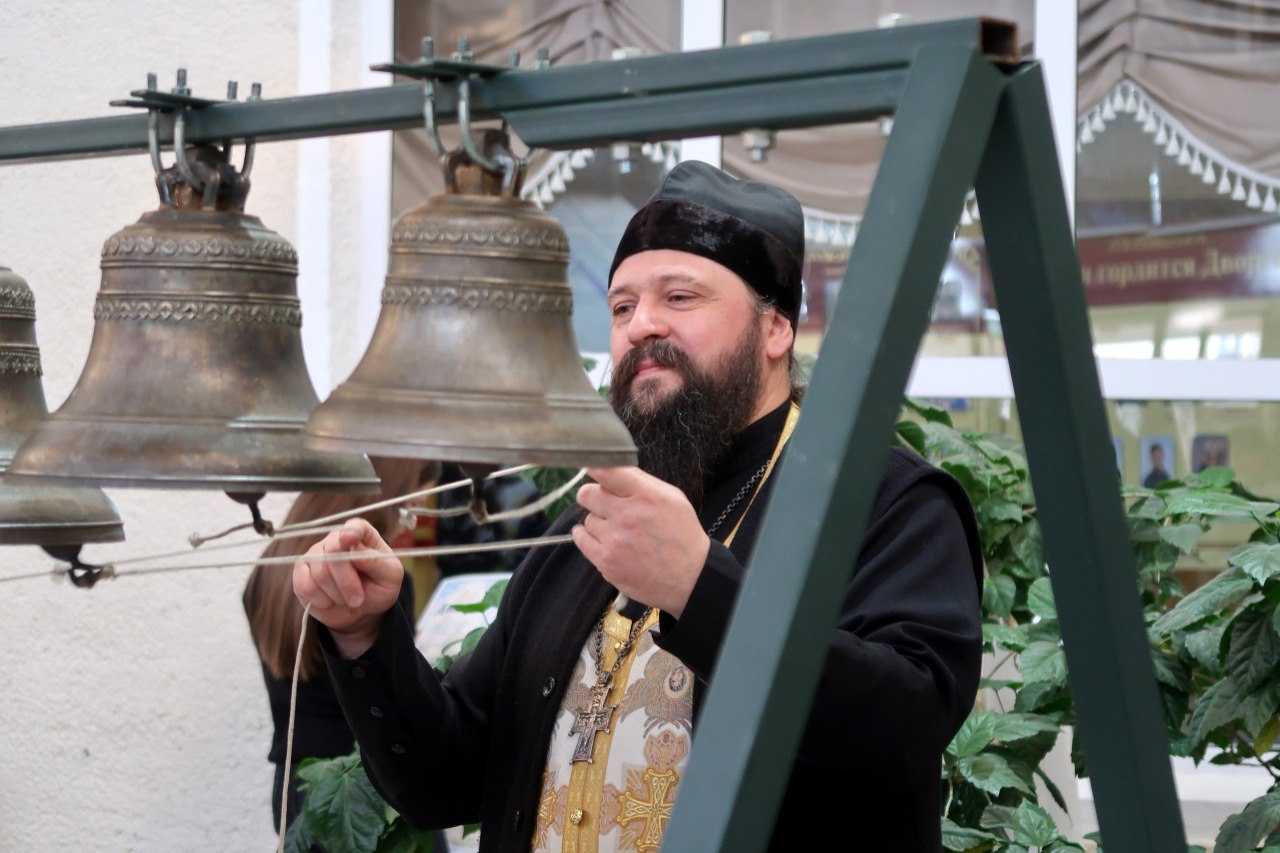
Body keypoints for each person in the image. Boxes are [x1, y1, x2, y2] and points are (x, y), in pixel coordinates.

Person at [294, 162, 983, 851]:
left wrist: (698, 586)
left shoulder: (886, 503)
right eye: (621, 306)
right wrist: (364, 635)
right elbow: (445, 779)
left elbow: (905, 731)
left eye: (679, 297)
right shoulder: (588, 529)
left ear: (775, 331)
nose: (640, 325)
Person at [243, 456, 438, 837]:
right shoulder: (371, 591)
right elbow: (394, 702)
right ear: (387, 499)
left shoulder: (267, 571)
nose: (406, 524)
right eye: (409, 508)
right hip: (363, 788)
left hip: (295, 788)